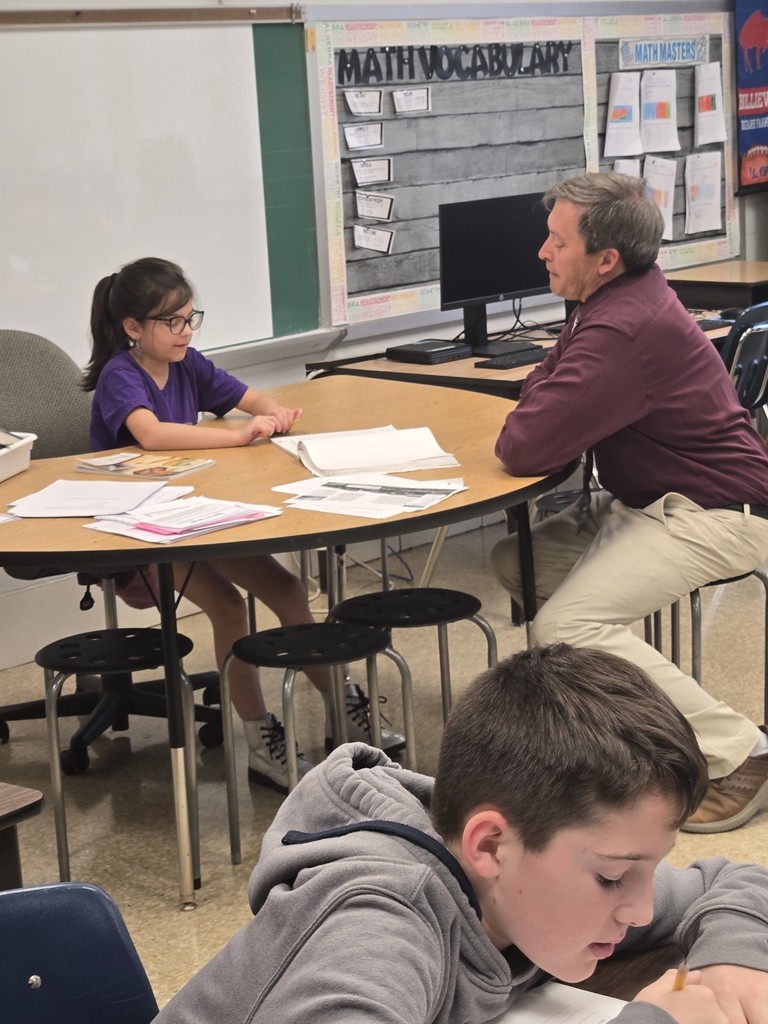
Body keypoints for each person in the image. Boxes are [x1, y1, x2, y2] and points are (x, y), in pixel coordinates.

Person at [154, 644, 768, 1024]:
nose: (640, 909)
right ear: (491, 846)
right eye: (612, 877)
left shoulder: (530, 873)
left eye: (644, 869)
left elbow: (732, 882)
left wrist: (736, 963)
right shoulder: (380, 923)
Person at [490, 172, 768, 834]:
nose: (542, 252)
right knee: (518, 561)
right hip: (658, 500)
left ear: (605, 257)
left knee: (564, 626)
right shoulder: (613, 298)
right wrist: (549, 396)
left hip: (719, 511)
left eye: (557, 240)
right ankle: (616, 730)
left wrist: (547, 401)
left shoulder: (623, 326)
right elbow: (543, 381)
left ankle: (739, 753)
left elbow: (524, 444)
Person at [84, 256, 403, 792]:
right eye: (173, 322)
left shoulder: (187, 362)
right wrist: (237, 434)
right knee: (230, 606)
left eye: (191, 318)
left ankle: (342, 711)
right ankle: (260, 738)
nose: (186, 331)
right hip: (143, 524)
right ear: (133, 329)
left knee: (287, 587)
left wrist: (274, 414)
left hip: (196, 512)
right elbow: (153, 436)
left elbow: (249, 398)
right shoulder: (122, 375)